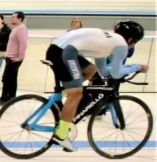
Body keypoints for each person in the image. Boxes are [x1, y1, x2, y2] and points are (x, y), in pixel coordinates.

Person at [46, 21, 148, 152]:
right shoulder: (122, 45)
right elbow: (116, 74)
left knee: (90, 70)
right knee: (77, 93)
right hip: (65, 53)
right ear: (130, 39)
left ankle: (64, 95)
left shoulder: (108, 41)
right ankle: (61, 135)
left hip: (58, 49)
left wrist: (130, 67)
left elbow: (104, 71)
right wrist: (137, 67)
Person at [0, 11, 28, 105]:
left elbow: (23, 44)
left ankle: (4, 99)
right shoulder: (16, 28)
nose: (11, 18)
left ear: (20, 19)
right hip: (11, 57)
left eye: (14, 17)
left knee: (6, 79)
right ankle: (11, 99)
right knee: (12, 79)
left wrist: (19, 57)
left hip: (14, 59)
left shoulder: (21, 29)